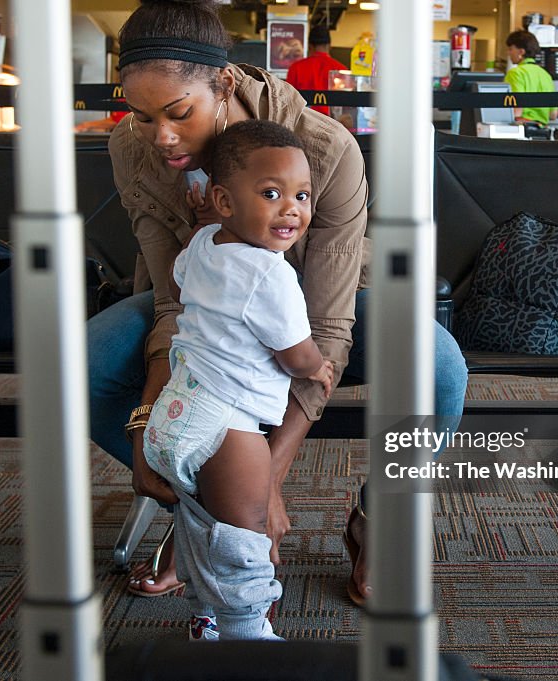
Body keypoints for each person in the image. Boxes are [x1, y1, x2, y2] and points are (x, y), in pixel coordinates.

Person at [86, 0, 468, 608]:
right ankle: (208, 514)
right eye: (140, 115)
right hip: (207, 308)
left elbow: (326, 329)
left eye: (179, 113)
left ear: (225, 83)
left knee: (438, 366)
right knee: (86, 362)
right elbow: (169, 303)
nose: (161, 136)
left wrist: (269, 480)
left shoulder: (324, 150)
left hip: (323, 305)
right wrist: (144, 430)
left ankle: (378, 516)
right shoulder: (133, 151)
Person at [143, 119, 333, 640]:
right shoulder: (272, 274)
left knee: (201, 528)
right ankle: (249, 636)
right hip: (227, 427)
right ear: (225, 201)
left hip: (177, 411)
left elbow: (182, 279)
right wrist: (319, 367)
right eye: (271, 194)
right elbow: (295, 355)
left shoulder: (205, 242)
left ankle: (207, 619)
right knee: (242, 542)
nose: (291, 208)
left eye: (301, 195)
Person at [285, 24, 346, 117]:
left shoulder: (296, 68)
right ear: (329, 46)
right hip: (333, 123)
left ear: (309, 46)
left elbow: (288, 100)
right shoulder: (341, 69)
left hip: (304, 122)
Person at [504, 30, 556, 126]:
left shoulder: (516, 73)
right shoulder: (545, 75)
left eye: (511, 49)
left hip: (522, 127)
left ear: (521, 52)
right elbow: (553, 114)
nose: (508, 53)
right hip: (542, 130)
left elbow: (517, 108)